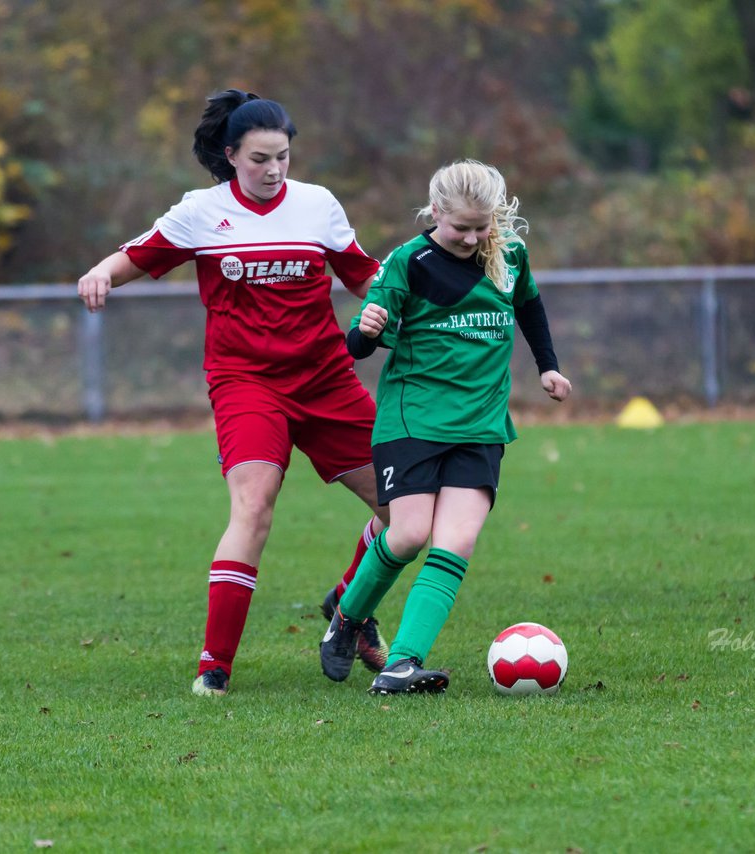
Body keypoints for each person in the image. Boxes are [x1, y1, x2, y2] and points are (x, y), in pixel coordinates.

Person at [76, 89, 391, 697]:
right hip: (247, 383)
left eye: (283, 157)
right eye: (260, 159)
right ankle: (214, 668)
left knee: (402, 511)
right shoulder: (202, 211)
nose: (274, 170)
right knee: (253, 506)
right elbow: (137, 255)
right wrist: (101, 273)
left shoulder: (317, 205)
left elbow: (364, 275)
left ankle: (347, 606)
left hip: (326, 379)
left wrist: (408, 300)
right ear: (230, 156)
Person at [318, 159, 572, 695]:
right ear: (436, 213)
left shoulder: (509, 255)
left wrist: (547, 364)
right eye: (462, 227)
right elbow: (358, 345)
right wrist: (364, 330)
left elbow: (530, 308)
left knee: (456, 542)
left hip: (481, 424)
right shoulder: (409, 262)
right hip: (414, 419)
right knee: (408, 534)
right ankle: (347, 616)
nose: (473, 237)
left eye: (484, 227)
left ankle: (401, 664)